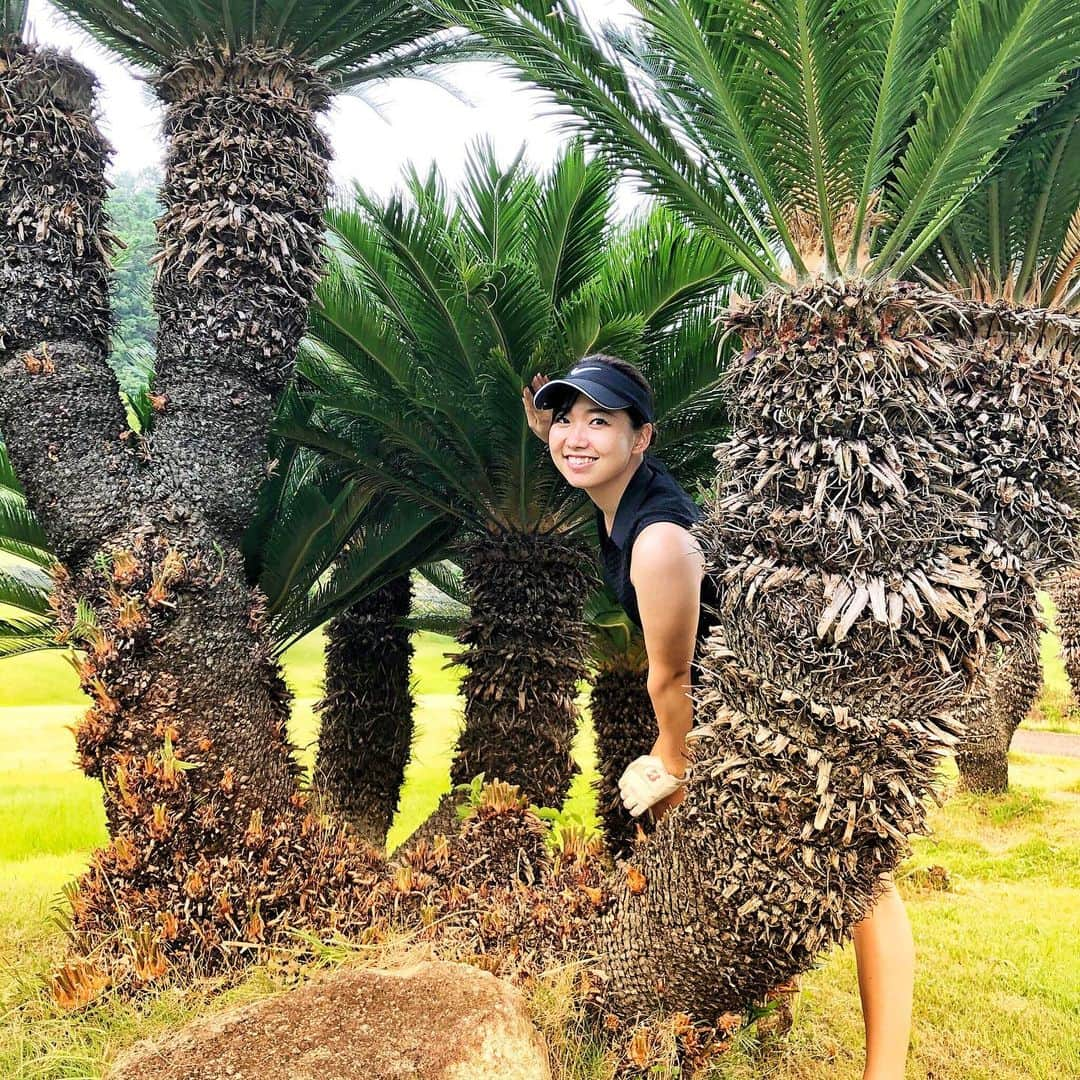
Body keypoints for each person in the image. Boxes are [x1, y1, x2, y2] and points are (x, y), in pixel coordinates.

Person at [523, 354, 914, 1080]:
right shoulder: (617, 501)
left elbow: (671, 672)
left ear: (643, 438)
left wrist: (672, 760)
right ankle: (744, 991)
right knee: (711, 846)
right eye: (563, 419)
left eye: (599, 421)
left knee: (860, 874)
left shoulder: (658, 541)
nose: (574, 437)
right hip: (745, 700)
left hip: (790, 706)